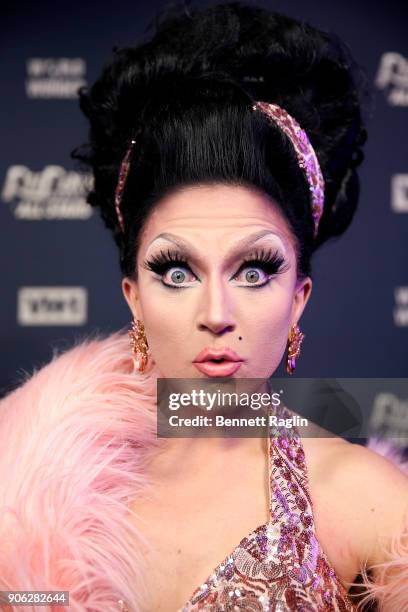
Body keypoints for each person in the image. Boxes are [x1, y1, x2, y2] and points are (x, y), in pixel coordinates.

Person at [0, 2, 407, 610]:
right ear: (133, 299)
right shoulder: (21, 493)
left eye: (254, 270)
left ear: (299, 301)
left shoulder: (369, 505)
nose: (216, 311)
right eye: (176, 270)